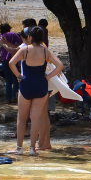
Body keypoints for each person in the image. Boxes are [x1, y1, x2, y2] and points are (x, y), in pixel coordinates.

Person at [8, 27, 64, 156]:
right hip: (41, 85)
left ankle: (19, 148)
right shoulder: (46, 51)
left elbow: (11, 63)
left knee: (22, 119)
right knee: (36, 118)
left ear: (30, 37)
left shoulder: (24, 50)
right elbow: (60, 65)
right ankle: (33, 148)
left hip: (26, 85)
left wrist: (18, 76)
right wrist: (49, 76)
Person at [0, 24, 22, 104]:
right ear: (9, 28)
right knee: (16, 78)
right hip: (14, 58)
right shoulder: (13, 34)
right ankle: (14, 97)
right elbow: (21, 44)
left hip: (4, 60)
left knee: (8, 79)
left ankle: (8, 98)